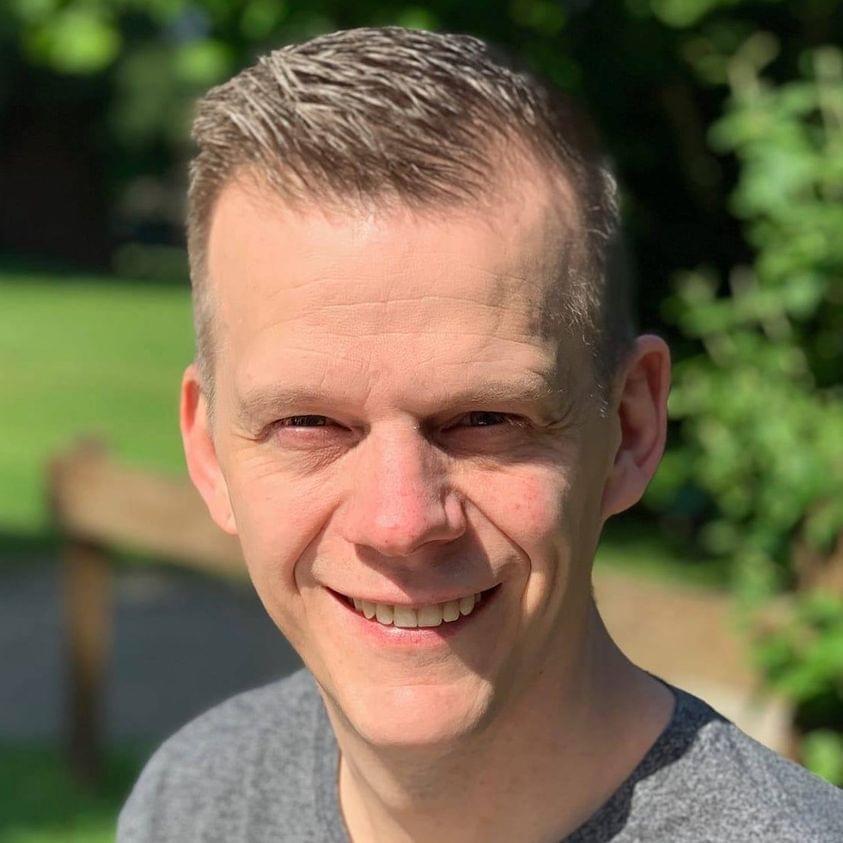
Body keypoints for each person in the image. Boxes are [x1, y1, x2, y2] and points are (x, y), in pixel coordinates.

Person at [118, 26, 843, 843]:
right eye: (309, 423)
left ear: (629, 428)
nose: (400, 521)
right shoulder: (196, 796)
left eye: (484, 419)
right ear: (210, 451)